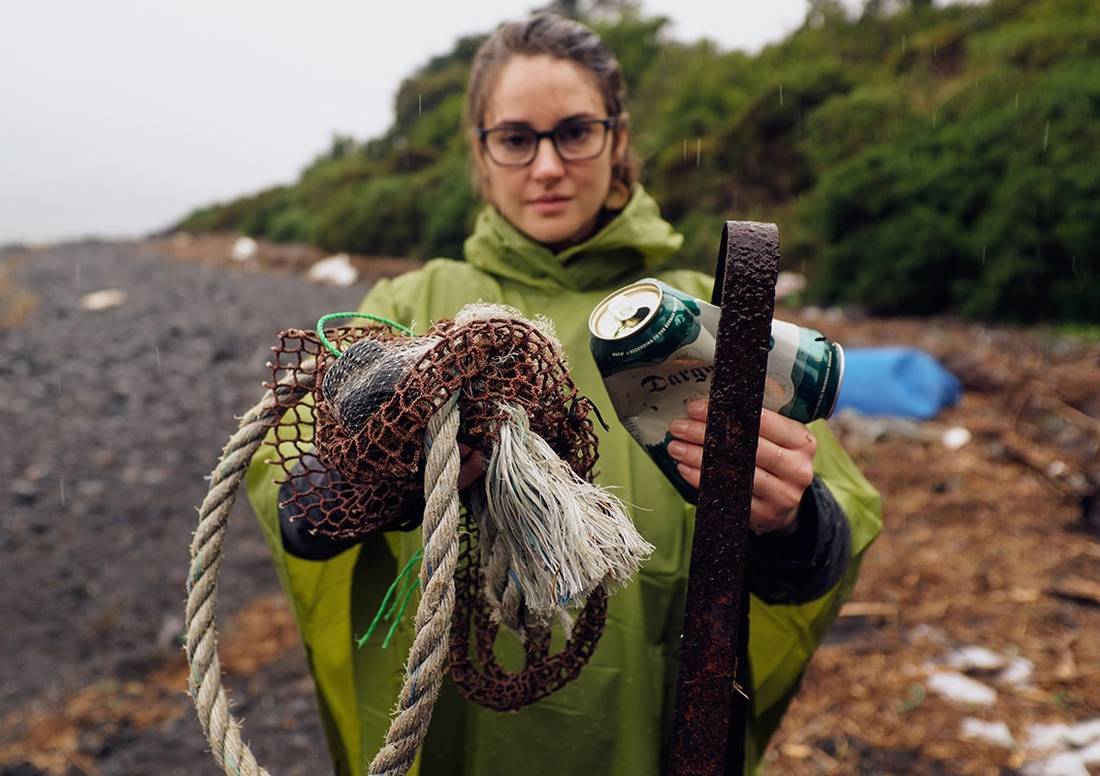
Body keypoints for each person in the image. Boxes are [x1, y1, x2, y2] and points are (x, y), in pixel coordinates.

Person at [246, 12, 882, 776]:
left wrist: (789, 519)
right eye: (516, 139)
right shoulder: (410, 307)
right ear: (482, 157)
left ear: (617, 139)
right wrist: (384, 481)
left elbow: (826, 545)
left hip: (646, 721)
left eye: (574, 131)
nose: (547, 166)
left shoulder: (698, 312)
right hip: (452, 731)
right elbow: (295, 509)